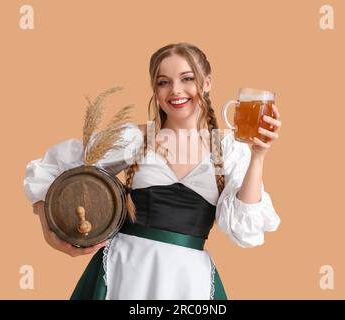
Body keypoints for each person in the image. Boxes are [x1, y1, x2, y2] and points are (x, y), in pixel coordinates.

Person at [23, 42, 282, 300]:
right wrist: (50, 232)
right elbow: (51, 170)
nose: (175, 90)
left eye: (187, 78)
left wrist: (258, 156)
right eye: (163, 82)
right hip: (125, 270)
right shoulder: (134, 138)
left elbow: (244, 228)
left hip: (187, 281)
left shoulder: (229, 149)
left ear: (206, 83)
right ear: (155, 90)